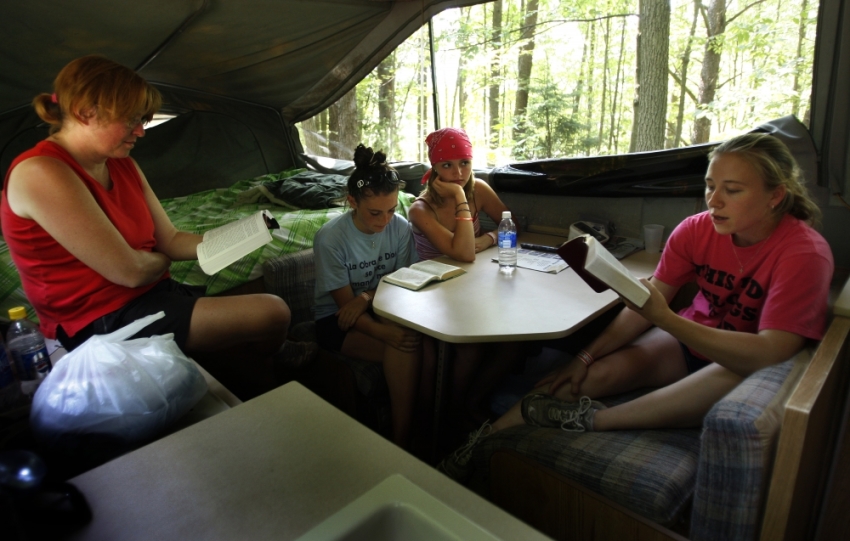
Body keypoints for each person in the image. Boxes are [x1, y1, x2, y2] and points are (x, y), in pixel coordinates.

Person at [438, 132, 834, 481]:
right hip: (685, 344)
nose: (714, 200)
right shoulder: (696, 229)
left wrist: (664, 318)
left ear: (775, 196)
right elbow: (647, 300)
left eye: (733, 190)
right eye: (710, 186)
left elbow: (772, 352)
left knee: (729, 370)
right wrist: (586, 356)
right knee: (574, 380)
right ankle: (477, 448)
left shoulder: (803, 252)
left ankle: (596, 420)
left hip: (736, 361)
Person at [0, 55, 306, 394]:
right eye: (131, 120)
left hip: (150, 296)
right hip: (98, 322)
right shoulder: (41, 172)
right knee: (272, 312)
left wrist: (237, 235)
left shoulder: (121, 164)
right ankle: (277, 365)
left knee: (250, 294)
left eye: (143, 120)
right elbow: (129, 271)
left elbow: (170, 238)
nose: (141, 131)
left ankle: (255, 375)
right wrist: (160, 260)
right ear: (87, 112)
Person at [408, 127, 524, 430]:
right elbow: (462, 253)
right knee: (471, 346)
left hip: (473, 280)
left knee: (514, 340)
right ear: (433, 168)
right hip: (435, 288)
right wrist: (460, 196)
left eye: (464, 163)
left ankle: (472, 401)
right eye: (447, 165)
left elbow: (511, 223)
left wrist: (488, 238)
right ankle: (453, 412)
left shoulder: (480, 190)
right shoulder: (420, 209)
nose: (458, 172)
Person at [313, 144, 424, 448]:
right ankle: (402, 440)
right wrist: (384, 333)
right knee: (405, 348)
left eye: (390, 210)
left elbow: (401, 281)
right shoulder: (330, 238)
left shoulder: (400, 228)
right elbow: (343, 309)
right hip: (334, 321)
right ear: (353, 202)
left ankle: (426, 427)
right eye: (375, 213)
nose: (384, 221)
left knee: (426, 346)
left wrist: (365, 298)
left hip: (377, 306)